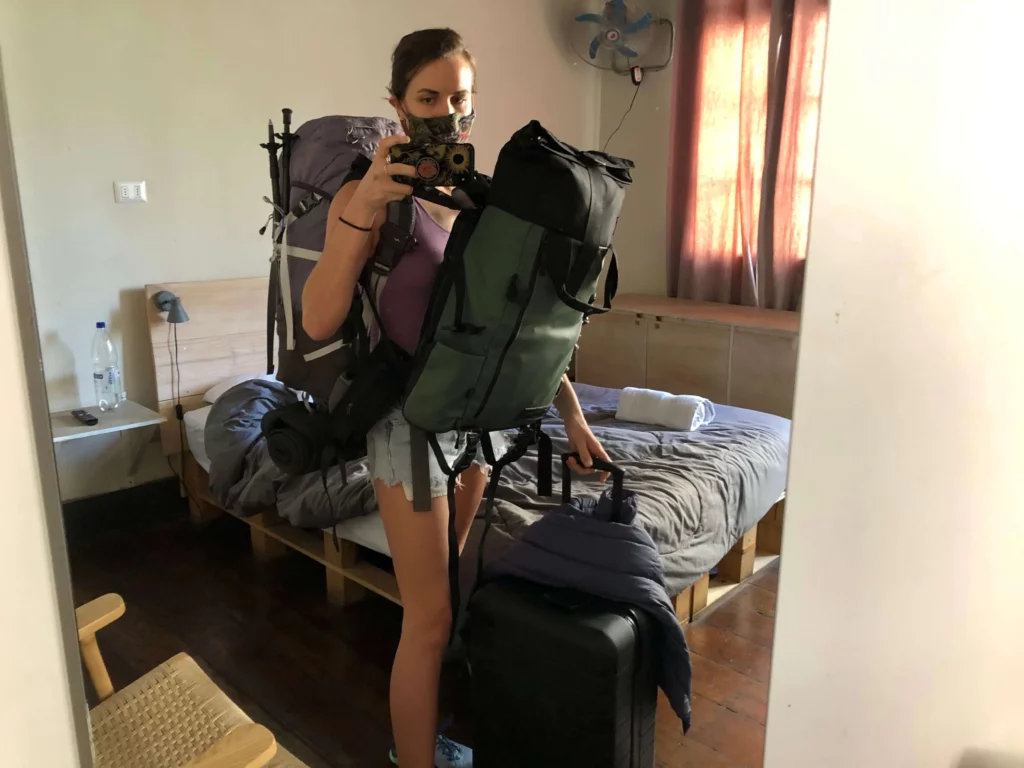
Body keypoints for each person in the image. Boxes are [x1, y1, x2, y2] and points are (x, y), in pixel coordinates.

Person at [302, 28, 611, 768]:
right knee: (432, 618)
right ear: (398, 107)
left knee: (448, 595)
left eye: (459, 98)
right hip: (408, 427)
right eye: (428, 98)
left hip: (479, 422)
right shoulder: (364, 195)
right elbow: (316, 318)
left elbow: (513, 325)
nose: (446, 113)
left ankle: (425, 735)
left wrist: (571, 415)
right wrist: (365, 205)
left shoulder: (482, 200)